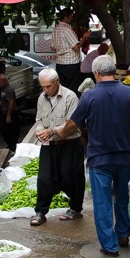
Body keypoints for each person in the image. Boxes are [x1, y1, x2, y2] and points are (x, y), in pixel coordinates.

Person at [55, 54, 130, 256]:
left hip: (100, 159)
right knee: (123, 197)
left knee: (103, 203)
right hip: (125, 158)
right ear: (113, 71)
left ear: (96, 73)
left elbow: (73, 124)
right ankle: (123, 236)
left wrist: (60, 132)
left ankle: (109, 246)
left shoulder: (89, 96)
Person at [30, 68, 85, 226]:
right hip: (49, 144)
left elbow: (71, 124)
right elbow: (39, 119)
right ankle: (40, 211)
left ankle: (75, 209)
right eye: (43, 87)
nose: (46, 90)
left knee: (71, 176)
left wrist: (52, 131)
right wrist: (39, 130)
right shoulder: (42, 98)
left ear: (57, 82)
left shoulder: (70, 97)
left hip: (69, 143)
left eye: (49, 86)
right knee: (44, 178)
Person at [52, 8, 90, 93]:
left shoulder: (55, 29)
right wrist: (84, 38)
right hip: (71, 64)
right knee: (72, 89)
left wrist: (61, 48)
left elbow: (53, 47)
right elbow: (76, 47)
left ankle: (64, 106)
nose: (72, 18)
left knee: (62, 90)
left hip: (60, 64)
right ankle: (72, 106)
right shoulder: (67, 30)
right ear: (66, 17)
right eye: (71, 16)